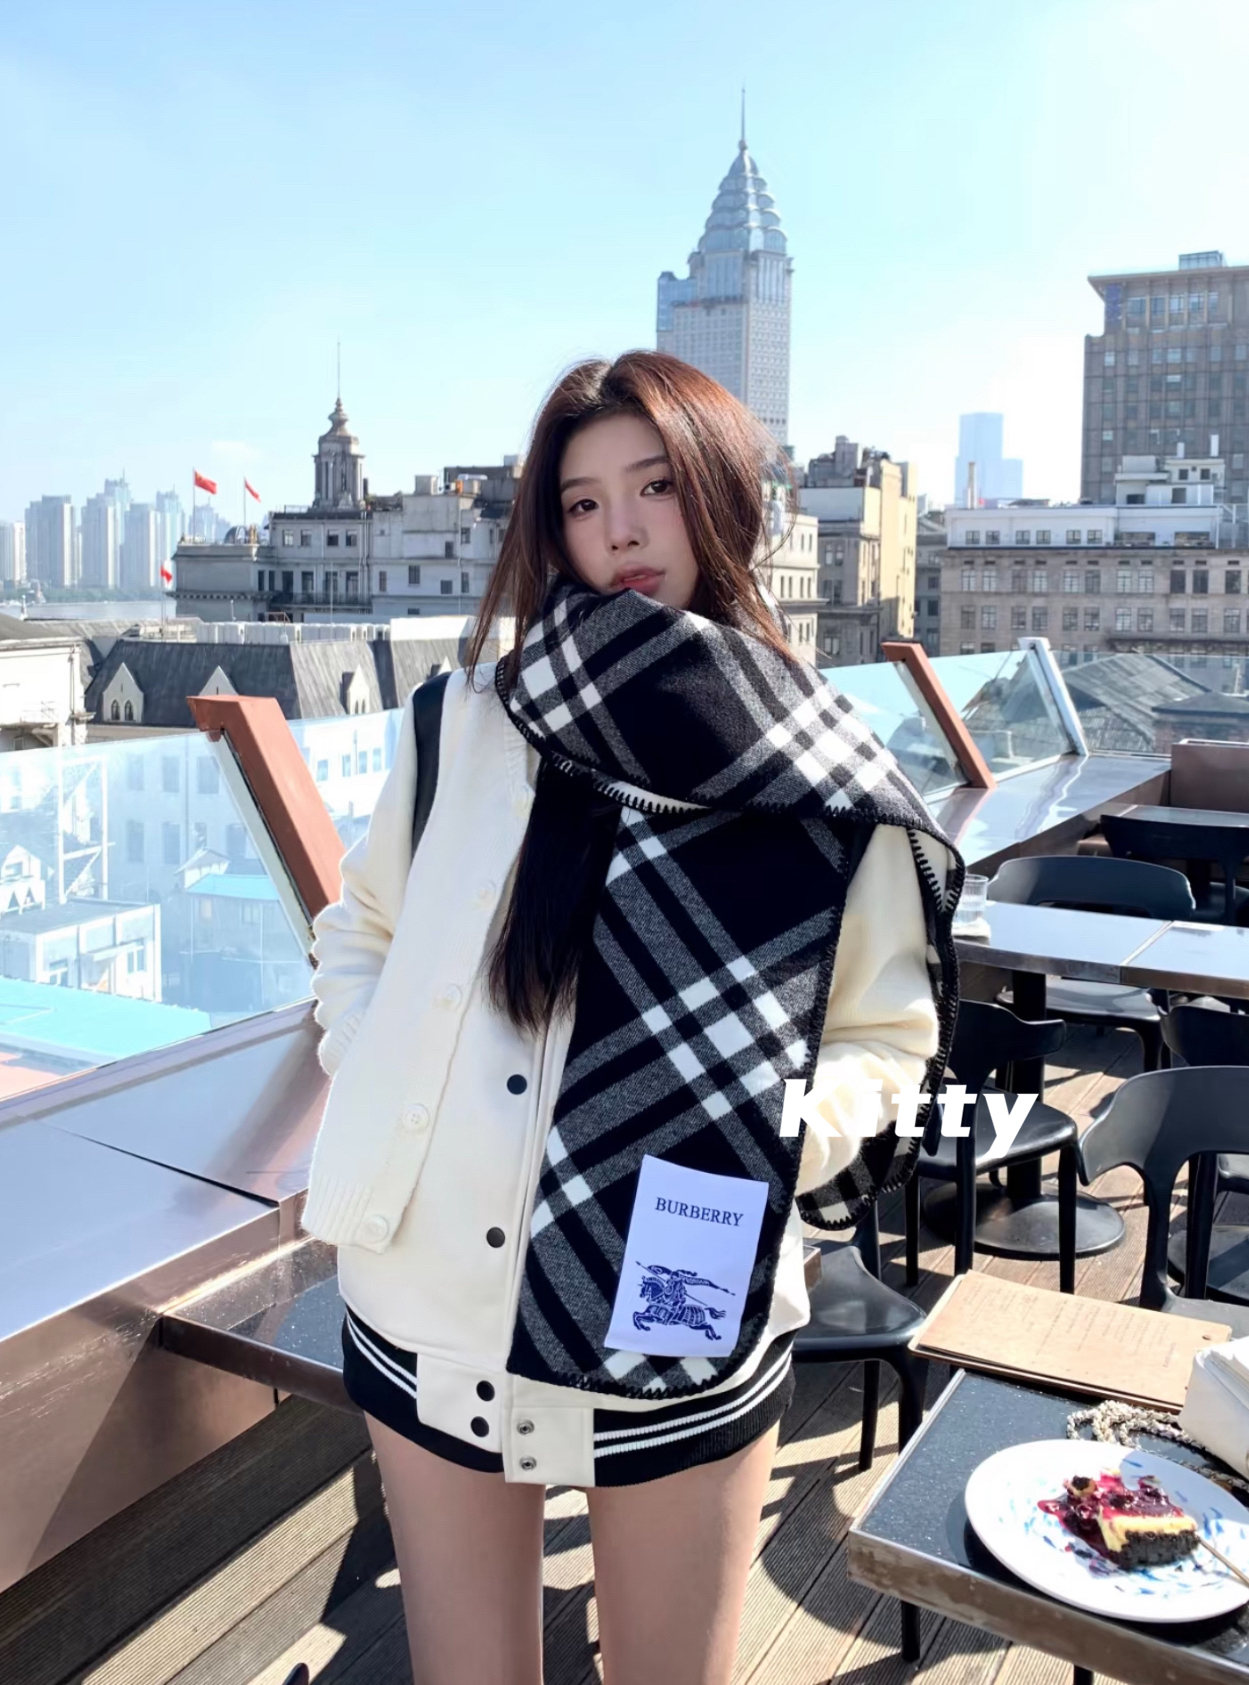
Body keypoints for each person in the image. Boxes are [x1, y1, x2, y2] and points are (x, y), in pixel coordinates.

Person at [302, 351, 962, 1685]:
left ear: (723, 500)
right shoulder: (461, 724)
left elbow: (886, 1040)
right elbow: (361, 930)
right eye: (582, 502)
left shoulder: (824, 768)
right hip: (434, 1288)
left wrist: (759, 1149)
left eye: (654, 488)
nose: (619, 533)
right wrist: (378, 1068)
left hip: (680, 1296)